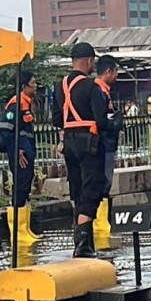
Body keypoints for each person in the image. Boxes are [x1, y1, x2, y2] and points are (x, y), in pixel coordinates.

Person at [52, 43, 110, 258]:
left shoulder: (60, 87)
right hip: (89, 144)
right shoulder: (90, 87)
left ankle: (84, 244)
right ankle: (83, 246)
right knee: (92, 189)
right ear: (89, 61)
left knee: (77, 190)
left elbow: (56, 119)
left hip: (69, 143)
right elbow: (102, 120)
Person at [0, 71, 39, 246]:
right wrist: (17, 150)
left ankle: (24, 229)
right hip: (20, 153)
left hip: (26, 151)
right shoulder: (16, 105)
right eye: (33, 84)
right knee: (20, 187)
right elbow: (5, 129)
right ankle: (18, 233)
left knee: (25, 185)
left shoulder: (26, 104)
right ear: (24, 86)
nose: (35, 86)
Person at [92, 55, 123, 238]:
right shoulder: (98, 91)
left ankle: (103, 222)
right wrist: (114, 124)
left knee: (107, 181)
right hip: (104, 145)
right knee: (104, 181)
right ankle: (100, 224)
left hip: (108, 144)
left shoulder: (104, 91)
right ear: (109, 71)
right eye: (116, 71)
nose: (117, 75)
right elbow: (101, 120)